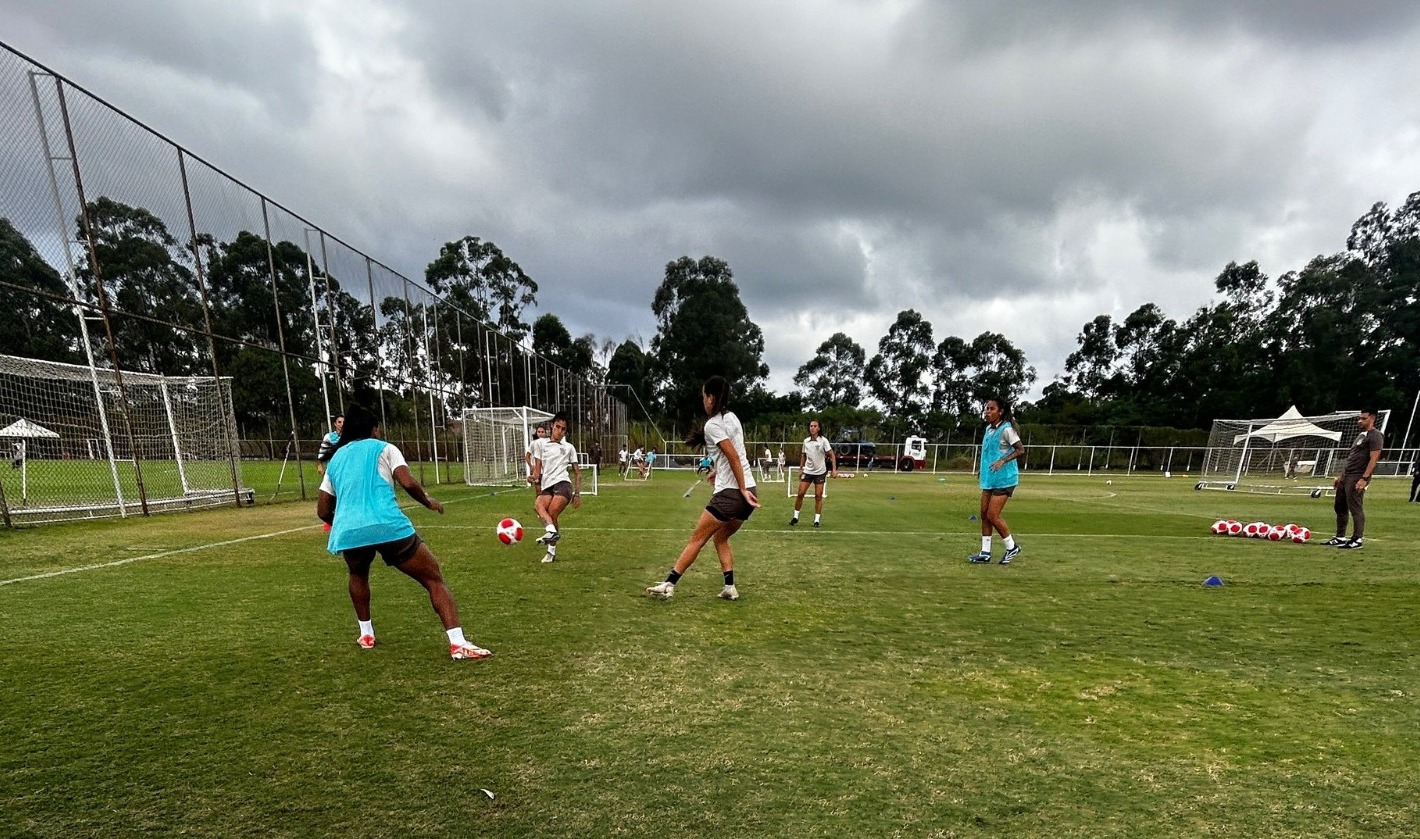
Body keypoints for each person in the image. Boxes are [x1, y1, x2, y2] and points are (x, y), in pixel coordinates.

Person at [316, 404, 491, 661]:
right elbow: (407, 482)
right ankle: (458, 643)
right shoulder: (385, 448)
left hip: (350, 531)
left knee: (358, 573)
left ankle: (366, 634)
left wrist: (345, 521)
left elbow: (322, 510)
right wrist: (428, 501)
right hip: (388, 526)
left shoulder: (336, 459)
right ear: (373, 429)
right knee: (433, 578)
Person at [646, 376, 759, 601]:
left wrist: (741, 489)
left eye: (704, 396)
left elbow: (734, 456)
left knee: (697, 539)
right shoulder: (732, 417)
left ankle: (669, 583)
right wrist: (727, 477)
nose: (703, 400)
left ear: (711, 397)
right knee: (720, 538)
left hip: (733, 493)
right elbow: (735, 455)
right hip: (750, 491)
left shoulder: (712, 425)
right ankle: (729, 587)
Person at [968, 397, 1025, 565]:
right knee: (984, 515)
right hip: (990, 477)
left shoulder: (1007, 430)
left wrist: (1003, 461)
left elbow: (1020, 449)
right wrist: (982, 469)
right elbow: (989, 452)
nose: (987, 411)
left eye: (991, 409)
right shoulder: (989, 429)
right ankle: (985, 553)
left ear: (1000, 412)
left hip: (1005, 478)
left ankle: (1012, 546)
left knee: (993, 515)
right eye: (986, 408)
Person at [1324, 408, 1384, 549]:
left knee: (1355, 508)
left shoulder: (1375, 436)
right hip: (1347, 475)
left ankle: (1357, 539)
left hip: (1358, 476)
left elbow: (1374, 459)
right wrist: (1341, 476)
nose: (1360, 421)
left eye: (1364, 418)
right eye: (1359, 418)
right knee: (1339, 506)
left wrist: (1364, 478)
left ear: (1372, 418)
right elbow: (1352, 458)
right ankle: (1340, 537)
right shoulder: (1360, 436)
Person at [528, 413, 581, 563]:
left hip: (563, 484)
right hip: (547, 485)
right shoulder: (540, 445)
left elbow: (577, 473)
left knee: (552, 512)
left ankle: (551, 551)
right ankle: (552, 532)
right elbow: (538, 470)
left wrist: (577, 494)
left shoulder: (569, 447)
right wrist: (533, 477)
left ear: (565, 431)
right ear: (552, 426)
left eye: (563, 429)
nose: (559, 431)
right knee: (538, 505)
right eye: (557, 427)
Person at [790, 419, 837, 527]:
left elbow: (832, 455)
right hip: (808, 471)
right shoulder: (806, 441)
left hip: (820, 472)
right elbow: (803, 455)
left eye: (815, 426)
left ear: (819, 428)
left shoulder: (823, 441)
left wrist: (834, 469)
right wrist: (801, 468)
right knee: (800, 493)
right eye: (811, 426)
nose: (812, 428)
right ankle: (795, 517)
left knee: (818, 495)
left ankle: (816, 520)